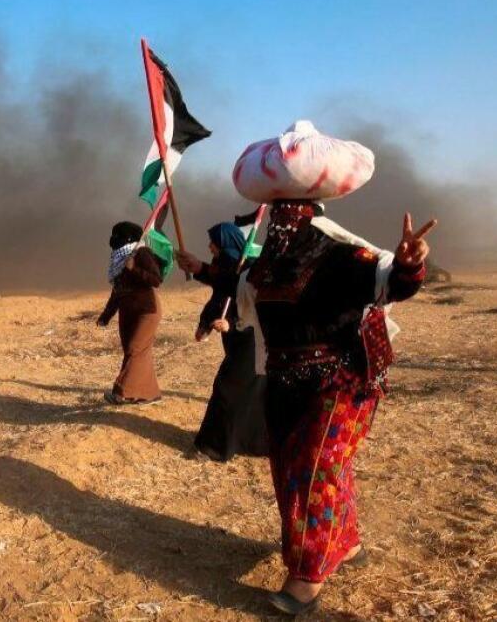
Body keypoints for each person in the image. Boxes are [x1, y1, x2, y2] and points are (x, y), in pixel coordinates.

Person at [236, 202, 434, 614]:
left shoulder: (338, 251)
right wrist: (203, 270)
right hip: (283, 383)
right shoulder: (266, 263)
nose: (283, 222)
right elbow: (237, 289)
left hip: (341, 382)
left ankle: (307, 578)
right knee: (296, 469)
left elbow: (388, 281)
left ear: (312, 213)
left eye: (291, 213)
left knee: (316, 471)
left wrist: (408, 266)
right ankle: (346, 543)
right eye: (278, 213)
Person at [175, 222, 268, 462]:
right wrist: (205, 324)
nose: (209, 246)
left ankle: (213, 447)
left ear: (225, 243)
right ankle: (252, 442)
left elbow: (255, 303)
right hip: (234, 339)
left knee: (228, 388)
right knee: (246, 391)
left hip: (250, 338)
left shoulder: (250, 268)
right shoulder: (224, 266)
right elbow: (219, 294)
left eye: (214, 242)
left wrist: (234, 320)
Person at [97, 221, 164, 405]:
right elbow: (117, 290)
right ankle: (149, 394)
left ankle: (121, 392)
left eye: (117, 235)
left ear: (127, 238)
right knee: (134, 352)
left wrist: (134, 268)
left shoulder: (141, 252)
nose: (113, 239)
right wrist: (106, 315)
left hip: (146, 311)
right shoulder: (118, 259)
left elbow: (156, 279)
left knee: (135, 349)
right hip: (128, 312)